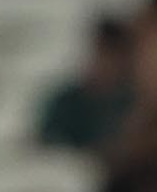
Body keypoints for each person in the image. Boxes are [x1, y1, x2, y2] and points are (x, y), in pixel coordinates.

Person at [35, 17, 134, 155]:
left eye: (110, 57)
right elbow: (45, 143)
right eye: (99, 54)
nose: (103, 64)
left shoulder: (130, 104)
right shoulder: (67, 100)